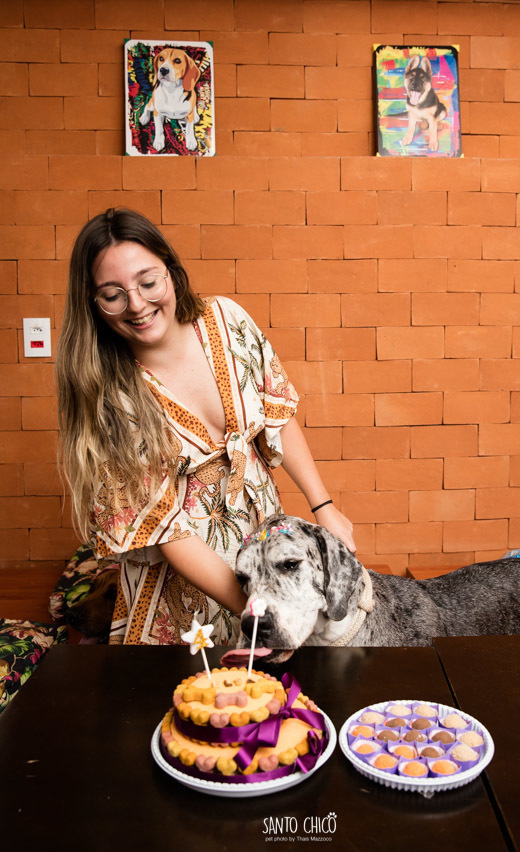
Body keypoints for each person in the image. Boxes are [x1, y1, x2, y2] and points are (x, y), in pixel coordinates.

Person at [56, 208, 354, 646]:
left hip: (264, 555)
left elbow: (277, 411)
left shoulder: (227, 320)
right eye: (113, 294)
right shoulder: (106, 396)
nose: (136, 304)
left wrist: (323, 505)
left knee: (277, 688)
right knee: (198, 688)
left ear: (171, 271)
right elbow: (167, 531)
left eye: (148, 282)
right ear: (92, 303)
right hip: (182, 598)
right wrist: (255, 613)